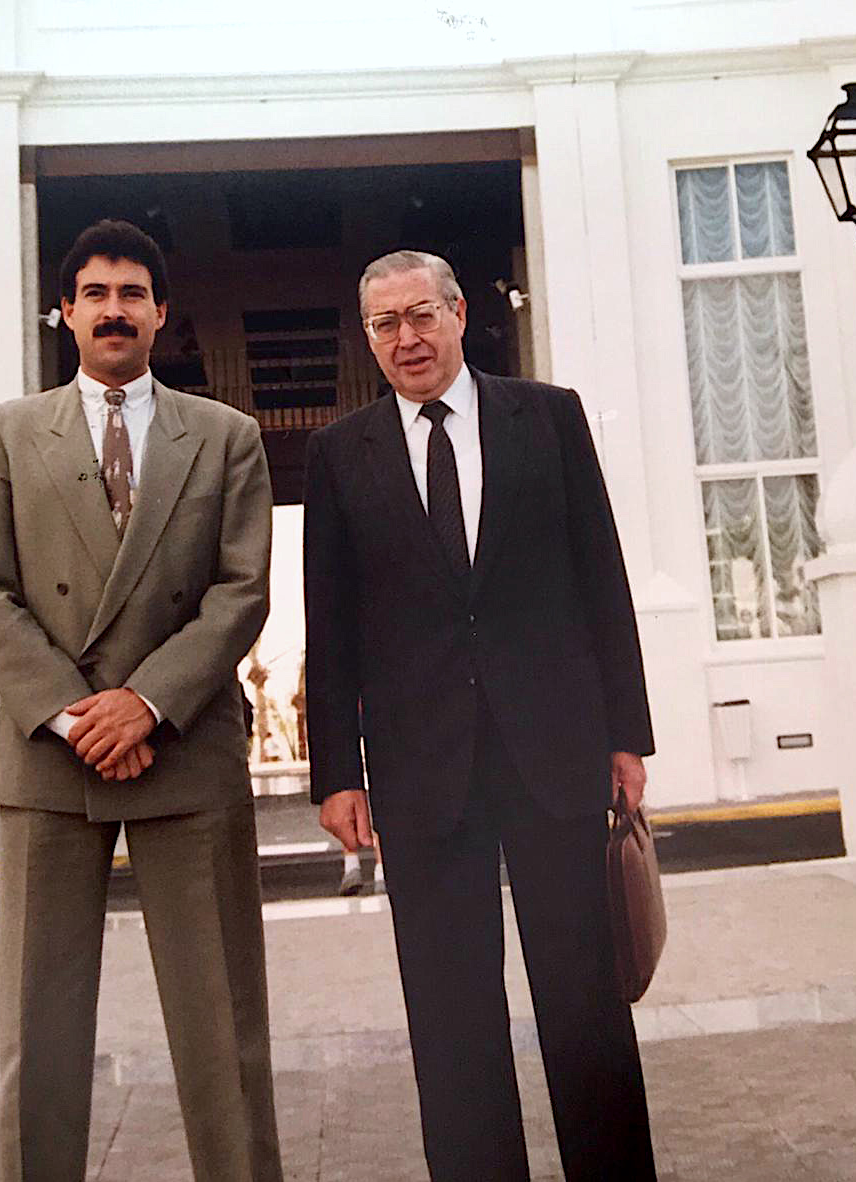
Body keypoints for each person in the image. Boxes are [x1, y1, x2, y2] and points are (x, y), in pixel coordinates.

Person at [303, 250, 657, 1181]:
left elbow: (602, 577)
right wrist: (337, 770)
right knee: (451, 1013)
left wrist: (628, 734)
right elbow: (331, 627)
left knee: (584, 999)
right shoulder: (341, 456)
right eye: (385, 324)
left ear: (461, 314)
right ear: (369, 338)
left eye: (422, 315)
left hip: (555, 749)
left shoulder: (547, 417)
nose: (407, 338)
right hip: (423, 772)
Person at [0, 219, 282, 1182]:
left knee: (222, 1024)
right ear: (64, 313)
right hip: (53, 758)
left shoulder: (226, 437)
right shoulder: (8, 434)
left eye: (131, 293)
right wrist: (78, 713)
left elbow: (241, 591)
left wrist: (145, 703)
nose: (113, 309)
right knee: (39, 1029)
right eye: (94, 294)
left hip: (184, 748)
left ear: (161, 314)